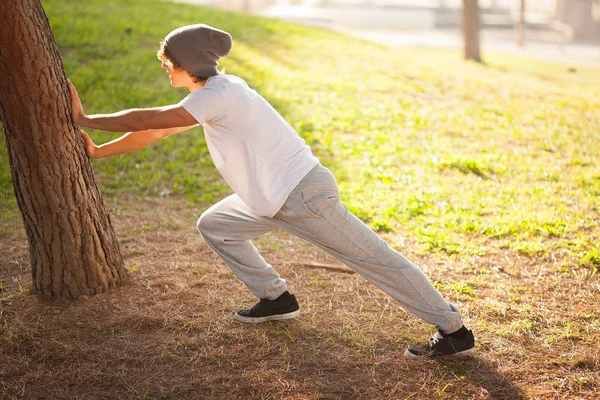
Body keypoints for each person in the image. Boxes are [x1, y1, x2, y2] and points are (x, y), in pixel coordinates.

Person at [69, 24, 475, 358]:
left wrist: (85, 118)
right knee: (216, 224)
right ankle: (276, 298)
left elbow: (153, 117)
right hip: (271, 199)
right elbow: (158, 128)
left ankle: (453, 329)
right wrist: (100, 151)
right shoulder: (213, 96)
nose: (165, 68)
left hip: (303, 195)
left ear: (186, 63)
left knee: (375, 260)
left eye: (168, 62)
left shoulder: (220, 94)